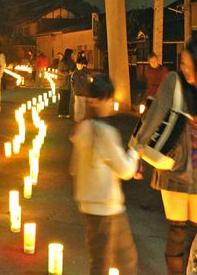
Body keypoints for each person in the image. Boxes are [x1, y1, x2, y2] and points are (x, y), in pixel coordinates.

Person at [131, 36, 197, 275]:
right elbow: (153, 115)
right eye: (183, 64)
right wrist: (136, 151)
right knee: (176, 232)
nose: (185, 70)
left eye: (191, 65)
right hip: (173, 169)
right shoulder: (174, 82)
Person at [70, 74, 139, 274]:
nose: (111, 103)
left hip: (88, 205)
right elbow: (125, 170)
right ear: (99, 100)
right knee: (122, 261)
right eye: (109, 99)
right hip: (107, 208)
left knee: (102, 259)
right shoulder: (105, 133)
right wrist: (135, 153)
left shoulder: (82, 128)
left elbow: (73, 168)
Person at [70, 55, 91, 122]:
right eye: (77, 64)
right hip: (78, 92)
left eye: (79, 64)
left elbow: (89, 82)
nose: (78, 65)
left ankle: (81, 118)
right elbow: (72, 81)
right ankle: (78, 118)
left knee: (82, 106)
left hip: (83, 92)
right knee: (78, 105)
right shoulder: (76, 73)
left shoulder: (85, 73)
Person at [57, 48, 74, 118]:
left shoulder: (72, 62)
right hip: (62, 82)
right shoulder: (62, 62)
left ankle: (66, 112)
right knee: (62, 98)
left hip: (69, 83)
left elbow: (74, 68)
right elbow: (59, 71)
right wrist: (67, 73)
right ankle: (60, 112)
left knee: (67, 99)